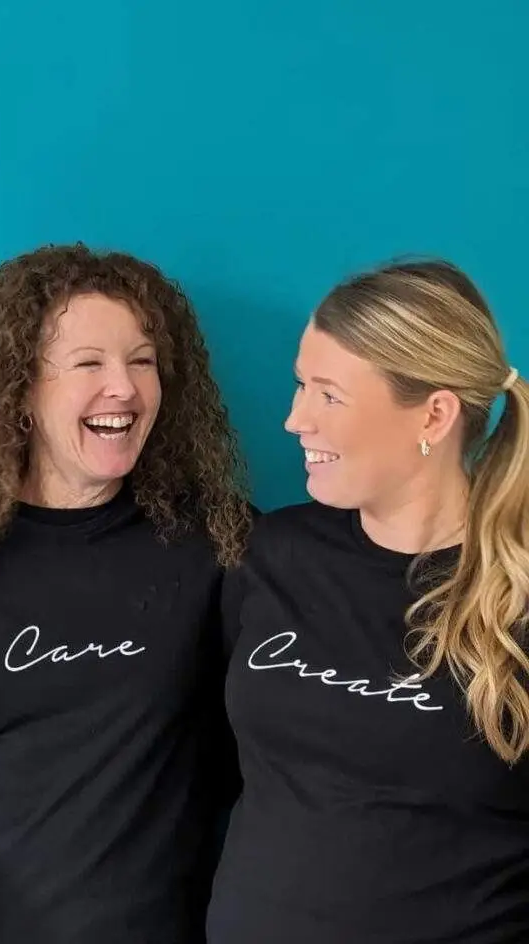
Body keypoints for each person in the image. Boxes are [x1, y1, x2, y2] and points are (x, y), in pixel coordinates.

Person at [0, 242, 252, 943]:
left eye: (142, 361)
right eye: (88, 365)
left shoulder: (217, 548)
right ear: (19, 388)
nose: (126, 389)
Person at [208, 259, 529, 943]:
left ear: (435, 414)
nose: (295, 419)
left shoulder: (517, 597)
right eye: (301, 385)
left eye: (329, 395)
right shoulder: (274, 553)